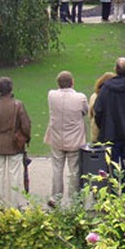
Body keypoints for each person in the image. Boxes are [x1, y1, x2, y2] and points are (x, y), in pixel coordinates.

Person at [93, 57, 125, 193]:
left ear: (116, 69)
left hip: (111, 132)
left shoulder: (106, 89)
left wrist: (103, 126)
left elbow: (98, 110)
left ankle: (115, 190)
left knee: (113, 163)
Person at [0, 77, 31, 207]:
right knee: (14, 175)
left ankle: (0, 203)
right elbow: (26, 125)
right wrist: (26, 138)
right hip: (15, 145)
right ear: (11, 89)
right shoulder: (18, 105)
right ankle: (14, 203)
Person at [44, 70, 88, 206]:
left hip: (57, 138)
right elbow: (85, 111)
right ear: (72, 82)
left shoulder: (52, 95)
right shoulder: (80, 98)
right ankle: (74, 198)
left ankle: (55, 197)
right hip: (74, 139)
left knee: (57, 169)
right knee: (74, 170)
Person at [88, 72, 115, 144]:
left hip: (97, 134)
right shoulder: (118, 97)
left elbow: (90, 115)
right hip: (114, 135)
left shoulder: (94, 96)